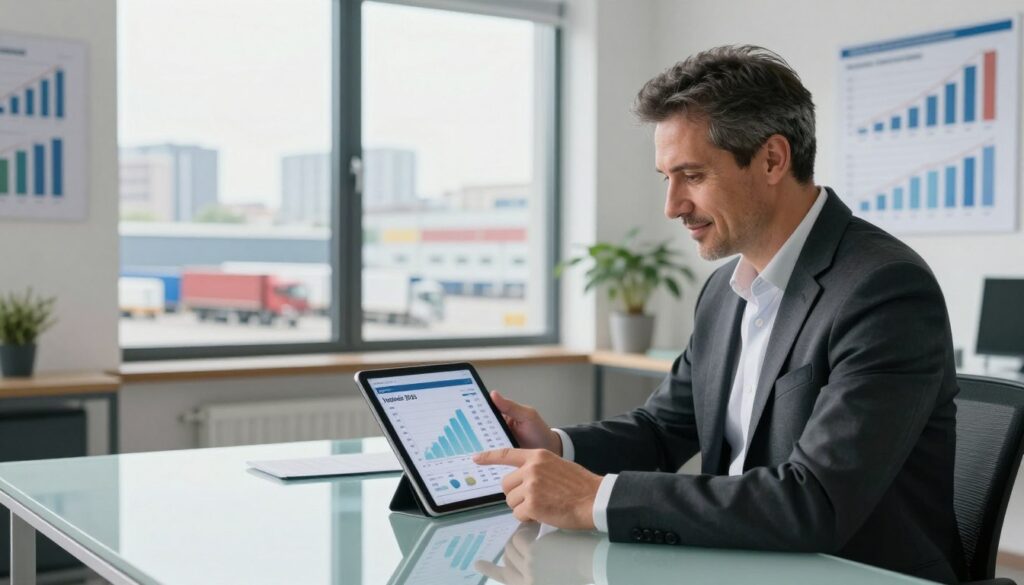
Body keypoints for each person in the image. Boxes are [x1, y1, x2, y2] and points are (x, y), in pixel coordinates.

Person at [472, 45, 966, 584]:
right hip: (735, 564)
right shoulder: (724, 292)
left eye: (692, 175)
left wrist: (593, 497)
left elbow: (815, 502)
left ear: (773, 160)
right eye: (666, 177)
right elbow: (664, 429)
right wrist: (559, 446)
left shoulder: (883, 289)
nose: (672, 205)